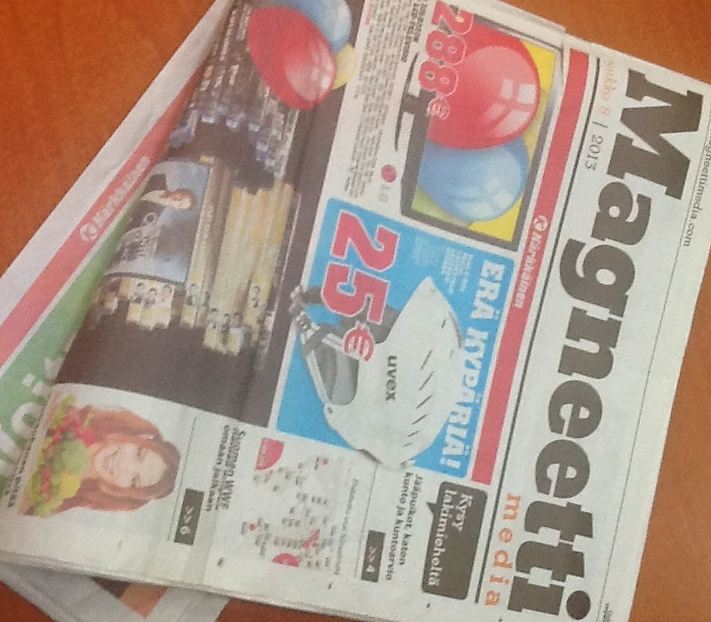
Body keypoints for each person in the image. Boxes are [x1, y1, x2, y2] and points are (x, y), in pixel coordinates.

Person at [25, 404, 180, 516]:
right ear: (140, 437)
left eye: (134, 480)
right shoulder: (69, 416)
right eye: (139, 454)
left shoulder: (58, 500)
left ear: (124, 493)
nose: (124, 465)